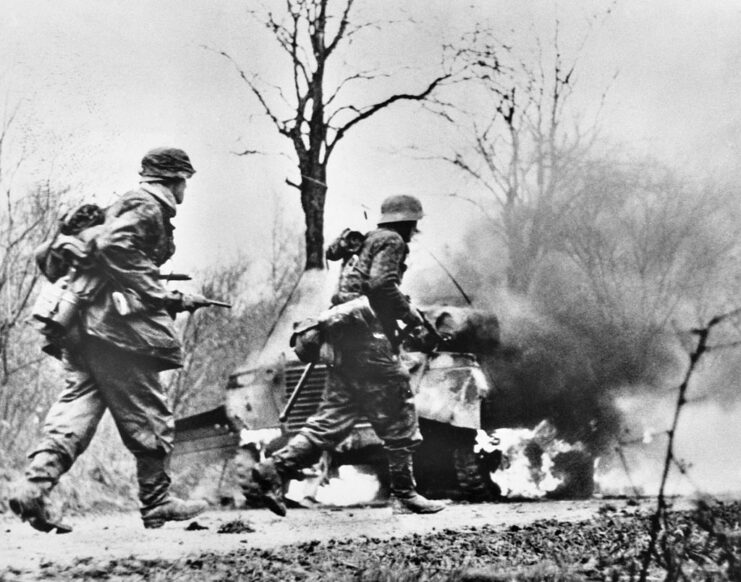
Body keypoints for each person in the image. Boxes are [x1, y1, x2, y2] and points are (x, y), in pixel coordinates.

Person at [8, 147, 208, 531]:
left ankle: (33, 489)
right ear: (175, 179)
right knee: (150, 414)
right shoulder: (147, 205)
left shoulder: (124, 204)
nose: (185, 188)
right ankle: (157, 501)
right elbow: (115, 247)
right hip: (117, 335)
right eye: (184, 180)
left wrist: (174, 297)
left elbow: (115, 260)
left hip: (84, 330)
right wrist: (163, 296)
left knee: (74, 413)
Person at [252, 194, 445, 515]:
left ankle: (275, 468)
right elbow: (381, 285)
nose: (414, 233)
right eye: (414, 226)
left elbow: (360, 288)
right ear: (409, 223)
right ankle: (405, 494)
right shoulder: (393, 241)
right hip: (369, 343)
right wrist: (410, 315)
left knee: (331, 421)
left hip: (343, 343)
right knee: (400, 410)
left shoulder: (363, 243)